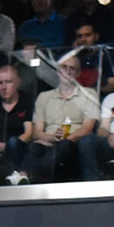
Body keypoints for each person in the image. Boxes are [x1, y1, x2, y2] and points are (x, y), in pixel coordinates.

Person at [29, 51, 99, 182]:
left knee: (64, 145)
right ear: (57, 70)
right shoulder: (44, 97)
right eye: (64, 67)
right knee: (34, 147)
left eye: (72, 68)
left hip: (74, 145)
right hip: (47, 144)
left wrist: (63, 140)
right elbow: (37, 132)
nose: (67, 71)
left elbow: (87, 128)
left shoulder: (89, 94)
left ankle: (29, 175)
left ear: (78, 73)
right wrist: (52, 138)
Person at [0, 61, 36, 178]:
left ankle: (17, 177)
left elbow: (29, 133)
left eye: (8, 82)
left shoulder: (27, 100)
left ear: (18, 83)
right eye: (0, 83)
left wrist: (7, 147)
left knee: (14, 142)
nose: (4, 87)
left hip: (20, 149)